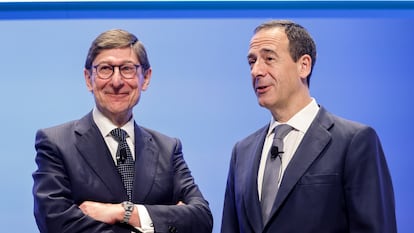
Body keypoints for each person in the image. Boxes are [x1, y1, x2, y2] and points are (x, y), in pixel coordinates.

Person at [220, 19, 397, 233]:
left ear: (304, 65)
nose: (256, 71)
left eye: (269, 58)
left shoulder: (354, 142)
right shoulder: (242, 152)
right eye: (252, 61)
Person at [32, 29, 213, 233]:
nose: (117, 82)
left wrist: (124, 212)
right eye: (105, 69)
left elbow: (201, 219)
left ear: (145, 78)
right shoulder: (56, 143)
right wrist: (157, 223)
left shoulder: (168, 149)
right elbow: (56, 223)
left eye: (127, 69)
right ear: (88, 78)